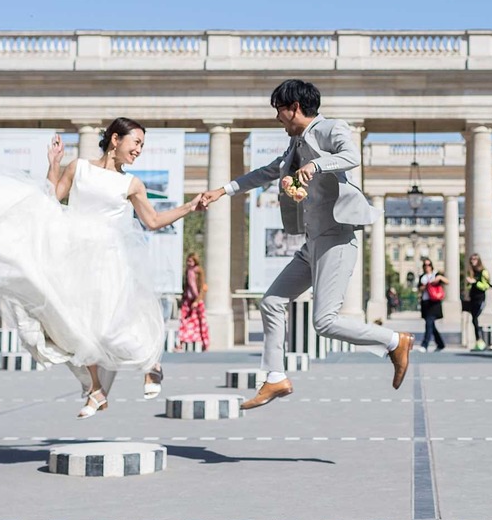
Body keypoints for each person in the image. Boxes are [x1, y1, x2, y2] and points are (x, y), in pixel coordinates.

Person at [0, 117, 205, 419]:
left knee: (111, 328)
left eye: (142, 145)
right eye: (136, 142)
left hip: (109, 260)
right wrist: (54, 163)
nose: (139, 150)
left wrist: (190, 207)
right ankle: (96, 391)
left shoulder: (132, 184)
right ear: (115, 139)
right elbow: (50, 199)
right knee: (72, 325)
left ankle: (151, 364)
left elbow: (152, 221)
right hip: (73, 256)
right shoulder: (79, 167)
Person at [201, 79, 413, 410]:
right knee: (271, 301)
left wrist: (315, 164)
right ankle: (275, 378)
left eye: (279, 111)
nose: (278, 119)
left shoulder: (330, 128)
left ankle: (394, 341)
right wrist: (223, 190)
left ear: (294, 108)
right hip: (312, 242)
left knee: (324, 321)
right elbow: (266, 172)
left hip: (337, 239)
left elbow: (350, 155)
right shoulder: (296, 145)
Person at [177, 252, 209, 351]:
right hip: (188, 300)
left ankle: (204, 343)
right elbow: (186, 286)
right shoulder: (188, 271)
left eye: (191, 261)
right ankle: (181, 343)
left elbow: (202, 287)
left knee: (200, 323)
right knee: (184, 321)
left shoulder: (198, 271)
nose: (189, 263)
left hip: (197, 300)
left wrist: (197, 300)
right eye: (188, 261)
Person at [418, 258, 447, 352]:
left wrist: (439, 278)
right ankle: (441, 344)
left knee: (429, 323)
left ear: (431, 265)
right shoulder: (422, 277)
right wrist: (426, 285)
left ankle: (424, 344)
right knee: (431, 325)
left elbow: (447, 282)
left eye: (429, 265)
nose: (427, 267)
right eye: (425, 265)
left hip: (434, 302)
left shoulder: (436, 275)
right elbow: (419, 288)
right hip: (426, 302)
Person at [464, 253, 491, 349]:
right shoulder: (470, 272)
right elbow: (469, 287)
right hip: (472, 298)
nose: (473, 261)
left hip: (480, 298)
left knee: (476, 318)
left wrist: (475, 282)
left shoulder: (483, 272)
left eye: (475, 259)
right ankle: (478, 340)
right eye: (471, 259)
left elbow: (486, 286)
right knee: (473, 319)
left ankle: (481, 340)